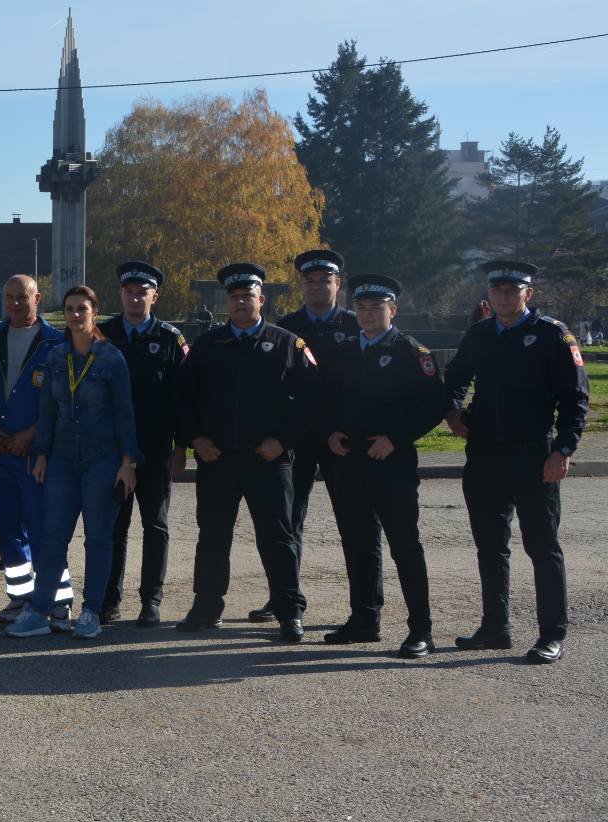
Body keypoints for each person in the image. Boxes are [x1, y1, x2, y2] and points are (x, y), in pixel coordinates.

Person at [445, 260, 590, 665]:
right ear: (489, 295)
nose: (505, 297)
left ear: (529, 294)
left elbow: (575, 398)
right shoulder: (478, 335)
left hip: (534, 455)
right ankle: (495, 628)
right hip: (486, 456)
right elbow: (453, 379)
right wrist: (454, 413)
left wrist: (563, 450)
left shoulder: (552, 335)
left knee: (542, 547)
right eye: (498, 291)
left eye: (513, 291)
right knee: (490, 546)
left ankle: (551, 635)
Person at [175, 263, 315, 641]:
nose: (240, 303)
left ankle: (289, 610)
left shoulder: (288, 343)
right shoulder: (207, 345)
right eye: (234, 297)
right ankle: (206, 607)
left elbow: (309, 401)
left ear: (261, 300)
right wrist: (195, 439)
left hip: (267, 459)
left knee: (277, 536)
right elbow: (183, 399)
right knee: (213, 536)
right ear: (228, 302)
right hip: (217, 458)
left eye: (247, 297)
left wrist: (283, 440)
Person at [319, 274, 448, 657]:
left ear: (393, 310)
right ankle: (364, 619)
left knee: (404, 546)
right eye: (361, 307)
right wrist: (329, 432)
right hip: (348, 463)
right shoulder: (342, 349)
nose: (368, 313)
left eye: (376, 307)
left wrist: (395, 438)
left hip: (391, 463)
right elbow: (323, 398)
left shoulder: (411, 351)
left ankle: (420, 630)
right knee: (358, 544)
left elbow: (433, 405)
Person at [8, 286, 140, 639]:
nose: (75, 315)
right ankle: (39, 611)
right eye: (69, 309)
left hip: (102, 460)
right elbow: (47, 411)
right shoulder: (55, 357)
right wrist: (40, 454)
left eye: (82, 308)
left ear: (95, 312)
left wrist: (129, 462)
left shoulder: (111, 359)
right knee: (52, 538)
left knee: (97, 538)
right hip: (62, 462)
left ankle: (91, 612)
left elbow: (126, 413)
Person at [260, 249, 359, 623]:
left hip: (341, 439)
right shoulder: (285, 327)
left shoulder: (355, 324)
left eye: (324, 280)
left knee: (352, 521)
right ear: (302, 284)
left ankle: (360, 606)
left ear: (338, 284)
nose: (317, 286)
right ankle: (283, 597)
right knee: (286, 522)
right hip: (297, 439)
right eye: (310, 280)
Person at [98, 261, 189, 626]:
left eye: (142, 291)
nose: (135, 297)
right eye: (129, 291)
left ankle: (151, 599)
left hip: (154, 449)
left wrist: (181, 447)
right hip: (111, 449)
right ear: (120, 294)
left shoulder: (170, 339)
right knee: (113, 527)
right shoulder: (101, 334)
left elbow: (184, 398)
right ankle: (109, 600)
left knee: (156, 526)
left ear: (155, 295)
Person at [0, 275, 63, 624]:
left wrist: (33, 434)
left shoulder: (56, 341)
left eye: (22, 297)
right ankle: (20, 597)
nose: (14, 303)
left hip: (34, 451)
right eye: (9, 296)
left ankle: (56, 601)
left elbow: (61, 400)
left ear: (37, 298)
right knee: (9, 529)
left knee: (43, 528)